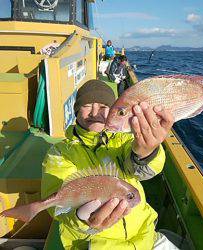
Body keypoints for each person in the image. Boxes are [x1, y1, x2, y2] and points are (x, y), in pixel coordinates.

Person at [41, 80, 177, 249]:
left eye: (104, 106)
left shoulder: (126, 139)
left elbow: (144, 170)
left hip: (146, 235)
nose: (95, 112)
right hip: (94, 243)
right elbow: (58, 207)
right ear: (76, 111)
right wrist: (82, 219)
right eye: (87, 105)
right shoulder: (60, 152)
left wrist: (146, 152)